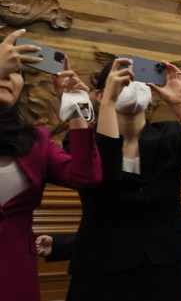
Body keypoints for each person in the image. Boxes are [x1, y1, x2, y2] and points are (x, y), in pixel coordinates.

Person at [64, 57, 181, 301]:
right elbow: (106, 179)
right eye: (122, 78)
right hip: (102, 266)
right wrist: (109, 103)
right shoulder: (81, 140)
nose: (132, 84)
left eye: (140, 79)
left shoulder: (171, 134)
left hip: (163, 267)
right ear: (100, 94)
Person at [0, 29, 101, 301]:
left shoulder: (36, 140)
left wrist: (75, 108)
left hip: (14, 276)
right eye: (5, 67)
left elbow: (86, 176)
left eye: (17, 71)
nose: (9, 76)